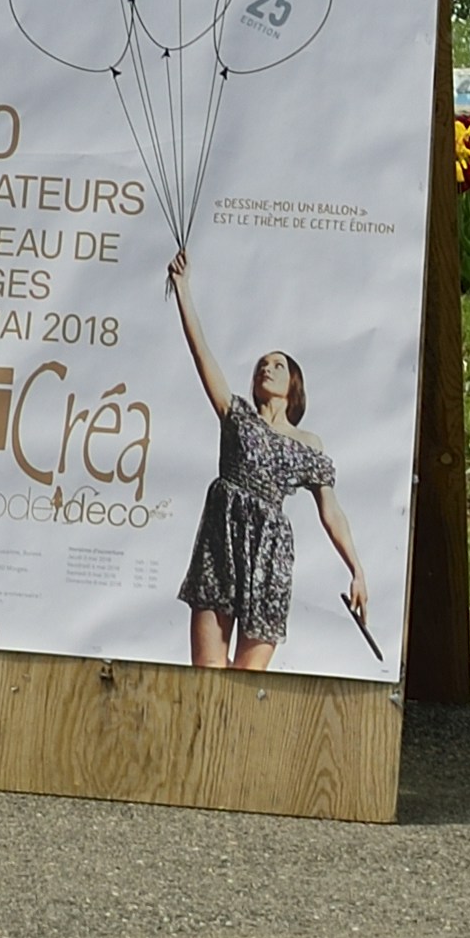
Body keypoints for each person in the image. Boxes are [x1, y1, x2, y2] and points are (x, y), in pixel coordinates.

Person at [160, 245, 380, 673]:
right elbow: (201, 353)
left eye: (278, 365)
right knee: (207, 670)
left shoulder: (308, 442)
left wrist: (356, 569)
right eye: (262, 363)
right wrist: (183, 289)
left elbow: (330, 511)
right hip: (221, 539)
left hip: (270, 549)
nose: (268, 367)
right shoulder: (236, 413)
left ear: (293, 384)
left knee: (247, 679)